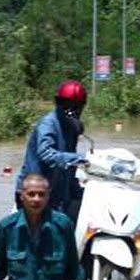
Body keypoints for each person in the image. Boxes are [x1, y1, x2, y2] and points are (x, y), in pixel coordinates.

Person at [15, 80, 88, 224]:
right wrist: (83, 158)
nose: (71, 109)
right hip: (36, 192)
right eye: (66, 104)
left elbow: (69, 167)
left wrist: (79, 193)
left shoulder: (72, 127)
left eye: (75, 105)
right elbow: (47, 154)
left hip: (58, 192)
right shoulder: (48, 124)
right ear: (58, 103)